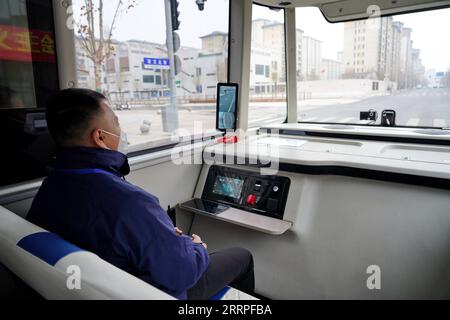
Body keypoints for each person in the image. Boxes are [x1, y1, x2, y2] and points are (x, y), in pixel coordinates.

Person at [27, 88, 254, 300]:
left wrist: (158, 233)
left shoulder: (50, 187)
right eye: (115, 123)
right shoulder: (129, 201)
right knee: (242, 256)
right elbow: (181, 272)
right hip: (150, 290)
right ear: (100, 137)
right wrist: (198, 248)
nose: (120, 131)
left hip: (101, 287)